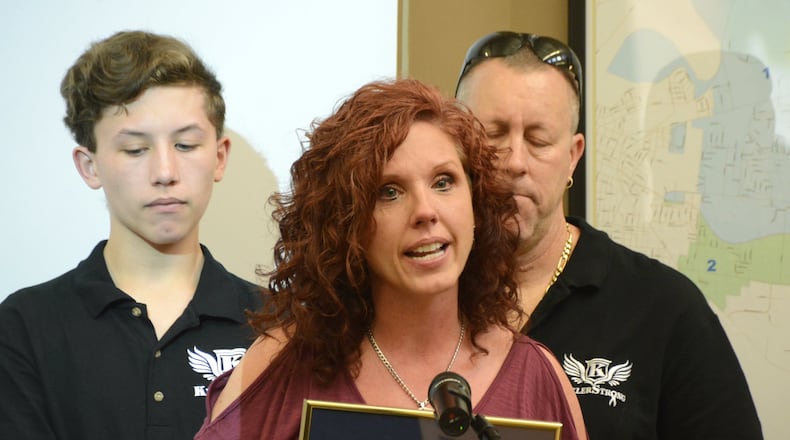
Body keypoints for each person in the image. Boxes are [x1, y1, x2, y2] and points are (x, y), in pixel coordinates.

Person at [194, 78, 587, 440]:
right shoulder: (281, 363)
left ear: (476, 204)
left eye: (443, 182)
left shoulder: (535, 376)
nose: (425, 211)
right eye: (389, 192)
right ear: (347, 224)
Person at [454, 31, 763, 439]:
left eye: (538, 139)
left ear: (572, 157)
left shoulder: (665, 309)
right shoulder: (420, 292)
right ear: (457, 145)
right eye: (493, 135)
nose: (515, 161)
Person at [0, 31, 263, 440]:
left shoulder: (279, 325)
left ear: (219, 156)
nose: (164, 172)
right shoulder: (25, 326)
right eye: (135, 150)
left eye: (186, 144)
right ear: (89, 166)